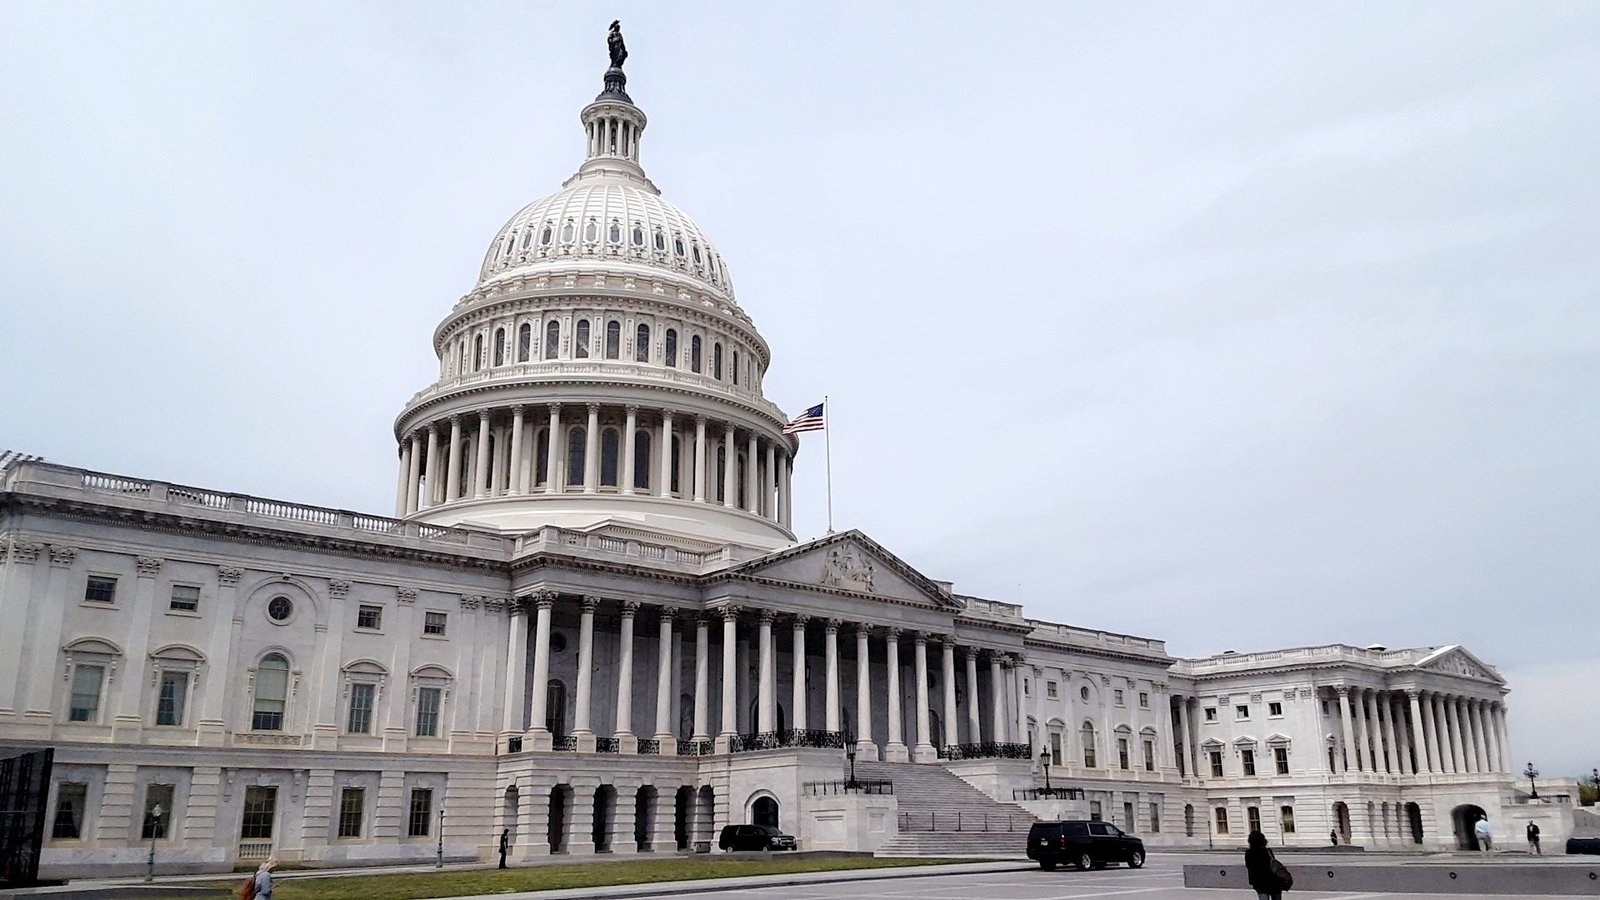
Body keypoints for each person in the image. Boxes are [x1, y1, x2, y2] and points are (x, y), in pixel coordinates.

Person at [1244, 830, 1289, 900]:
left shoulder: (1249, 853)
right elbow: (1273, 865)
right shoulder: (1267, 851)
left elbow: (1249, 866)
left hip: (1259, 882)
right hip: (1273, 880)